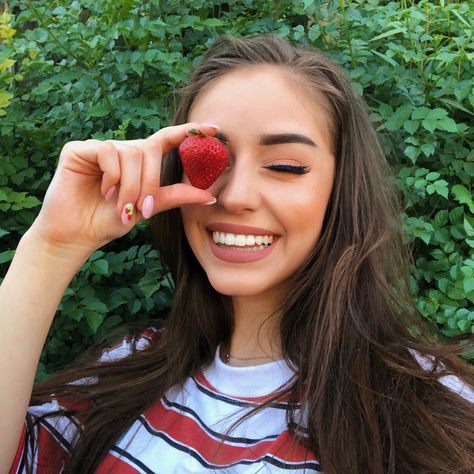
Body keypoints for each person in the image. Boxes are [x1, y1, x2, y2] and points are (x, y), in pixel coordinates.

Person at [1, 35, 473, 474]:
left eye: (285, 166)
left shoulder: (434, 413)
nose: (235, 195)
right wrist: (51, 246)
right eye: (210, 159)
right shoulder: (121, 376)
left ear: (340, 189)